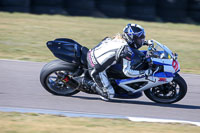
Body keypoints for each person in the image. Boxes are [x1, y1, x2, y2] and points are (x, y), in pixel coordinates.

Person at [85, 23, 152, 101]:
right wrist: (145, 72)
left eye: (142, 38)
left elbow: (133, 44)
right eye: (140, 38)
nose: (141, 40)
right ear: (132, 37)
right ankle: (86, 83)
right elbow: (128, 72)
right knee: (108, 95)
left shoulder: (120, 38)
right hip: (96, 67)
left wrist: (146, 43)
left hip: (93, 53)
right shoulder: (125, 51)